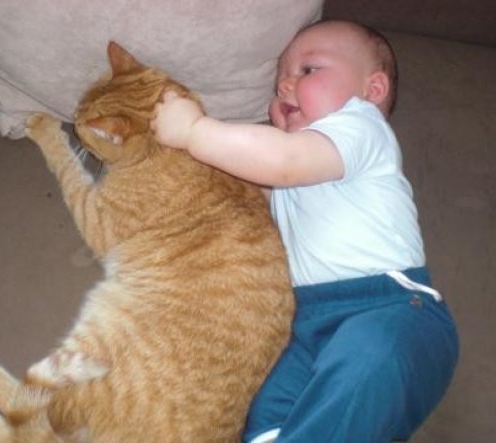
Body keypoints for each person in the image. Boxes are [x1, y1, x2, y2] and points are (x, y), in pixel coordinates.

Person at [152, 19, 459, 443]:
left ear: (372, 90)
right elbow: (255, 178)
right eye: (280, 80)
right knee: (267, 416)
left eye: (308, 70)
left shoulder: (361, 126)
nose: (284, 85)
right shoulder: (290, 170)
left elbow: (284, 161)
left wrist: (194, 131)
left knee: (368, 355)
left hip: (390, 311)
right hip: (308, 325)